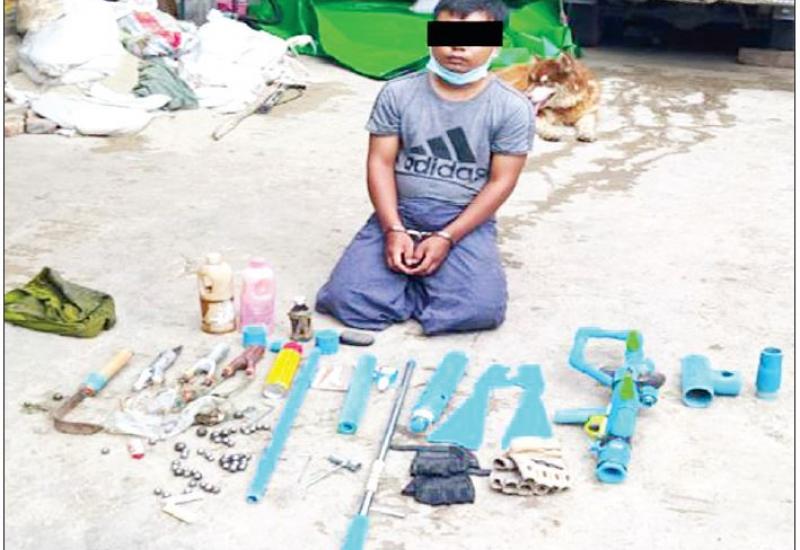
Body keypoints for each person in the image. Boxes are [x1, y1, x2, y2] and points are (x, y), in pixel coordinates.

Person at [316, 0, 535, 335]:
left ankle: (416, 282)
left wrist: (447, 236)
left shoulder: (512, 108)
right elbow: (380, 162)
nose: (457, 46)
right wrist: (393, 229)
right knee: (346, 300)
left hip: (464, 219)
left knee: (479, 311)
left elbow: (501, 182)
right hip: (401, 211)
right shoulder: (398, 93)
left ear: (497, 43)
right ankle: (417, 280)